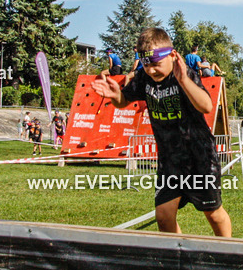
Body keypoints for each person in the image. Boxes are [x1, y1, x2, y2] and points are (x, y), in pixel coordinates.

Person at [93, 28, 231, 237]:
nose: (151, 70)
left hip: (199, 157)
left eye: (156, 64)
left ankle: (227, 252)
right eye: (146, 65)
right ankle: (177, 258)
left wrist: (183, 80)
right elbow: (123, 101)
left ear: (172, 56)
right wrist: (115, 95)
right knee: (164, 215)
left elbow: (206, 106)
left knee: (212, 212)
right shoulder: (143, 78)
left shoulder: (185, 74)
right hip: (170, 160)